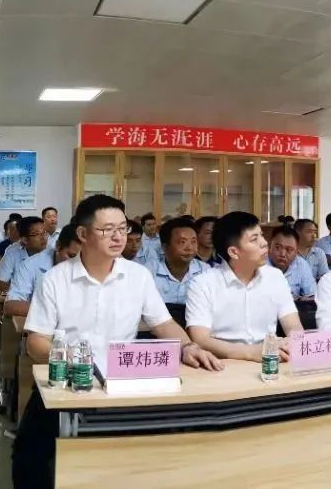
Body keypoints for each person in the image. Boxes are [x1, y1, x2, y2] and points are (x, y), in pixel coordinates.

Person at [16, 195, 221, 489]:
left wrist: (188, 346)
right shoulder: (55, 280)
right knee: (29, 459)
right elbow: (36, 342)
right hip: (70, 383)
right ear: (83, 234)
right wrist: (73, 361)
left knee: (137, 459)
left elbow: (163, 324)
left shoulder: (138, 276)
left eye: (122, 228)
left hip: (123, 384)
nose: (118, 237)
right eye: (107, 229)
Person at [186, 211, 303, 361]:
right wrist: (251, 352)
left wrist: (293, 343)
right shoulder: (202, 284)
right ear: (234, 252)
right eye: (254, 239)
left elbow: (294, 326)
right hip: (223, 364)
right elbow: (201, 339)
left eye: (261, 235)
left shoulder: (275, 277)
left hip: (271, 360)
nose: (264, 243)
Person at [5, 223, 82, 317]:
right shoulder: (30, 265)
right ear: (58, 245)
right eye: (71, 256)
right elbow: (11, 305)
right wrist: (53, 312)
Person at [146, 218, 208, 305]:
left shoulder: (205, 271)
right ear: (164, 247)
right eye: (182, 242)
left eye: (193, 242)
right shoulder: (149, 272)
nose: (189, 248)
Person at [0, 216, 46, 293]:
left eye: (44, 233)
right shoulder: (12, 253)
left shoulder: (52, 251)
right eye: (37, 234)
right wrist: (24, 290)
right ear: (24, 240)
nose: (43, 237)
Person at [266, 225, 316, 299]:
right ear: (269, 245)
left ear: (296, 252)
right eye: (278, 247)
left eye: (289, 250)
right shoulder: (258, 263)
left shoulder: (301, 264)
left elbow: (312, 295)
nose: (282, 254)